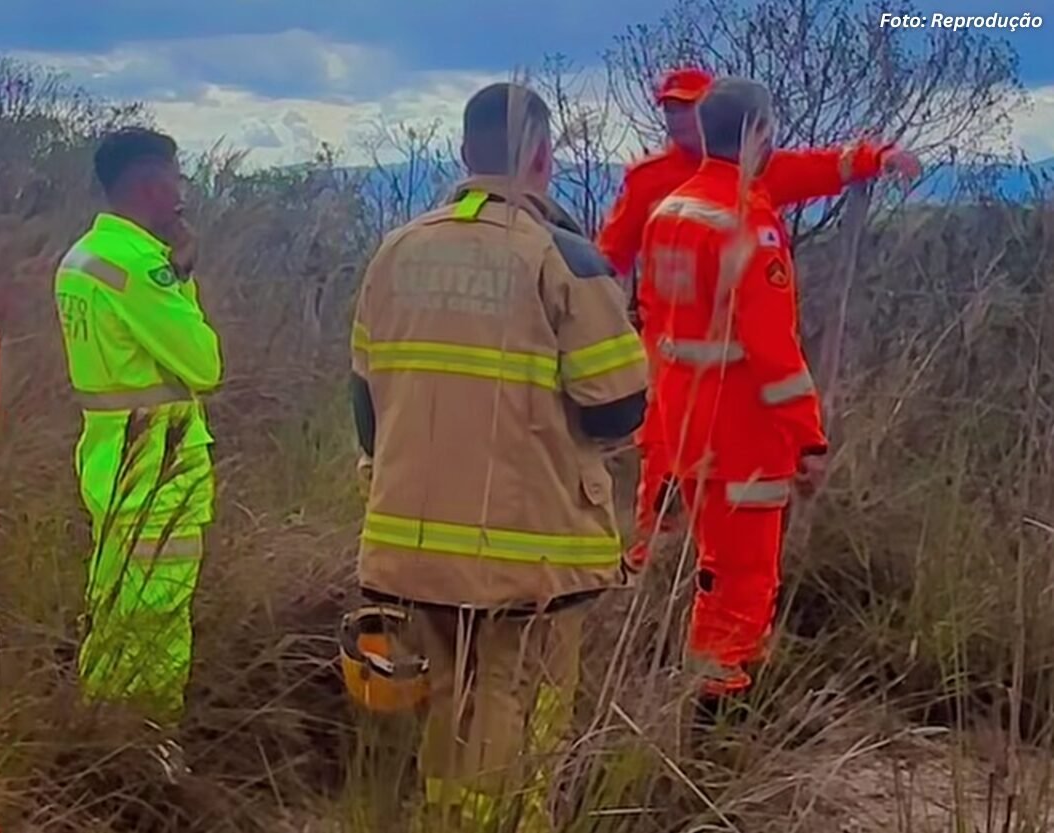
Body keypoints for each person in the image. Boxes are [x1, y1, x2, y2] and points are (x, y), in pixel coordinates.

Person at [350, 82, 648, 829]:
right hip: (528, 548)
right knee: (515, 696)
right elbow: (616, 408)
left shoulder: (396, 251)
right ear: (544, 157)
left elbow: (366, 406)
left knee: (445, 697)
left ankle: (441, 818)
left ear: (463, 153)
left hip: (412, 536)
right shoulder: (565, 259)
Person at [598, 66, 920, 570]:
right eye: (670, 108)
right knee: (663, 491)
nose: (678, 118)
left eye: (687, 106)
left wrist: (875, 158)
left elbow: (819, 168)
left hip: (735, 386)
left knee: (726, 512)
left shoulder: (756, 172)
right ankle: (651, 578)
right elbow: (608, 259)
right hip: (668, 370)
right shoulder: (648, 181)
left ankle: (702, 588)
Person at [639, 76, 841, 705]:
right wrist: (808, 439)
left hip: (684, 425)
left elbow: (654, 320)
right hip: (742, 434)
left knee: (713, 566)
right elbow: (773, 351)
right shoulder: (747, 221)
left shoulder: (669, 211)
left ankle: (717, 686)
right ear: (757, 133)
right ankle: (720, 708)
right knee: (744, 578)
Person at [53, 128, 223, 725]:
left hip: (108, 461)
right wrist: (182, 277)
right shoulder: (140, 267)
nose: (182, 195)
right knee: (159, 620)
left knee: (114, 609)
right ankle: (150, 740)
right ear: (151, 185)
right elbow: (204, 365)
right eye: (176, 179)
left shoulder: (82, 257)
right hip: (158, 472)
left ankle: (98, 727)